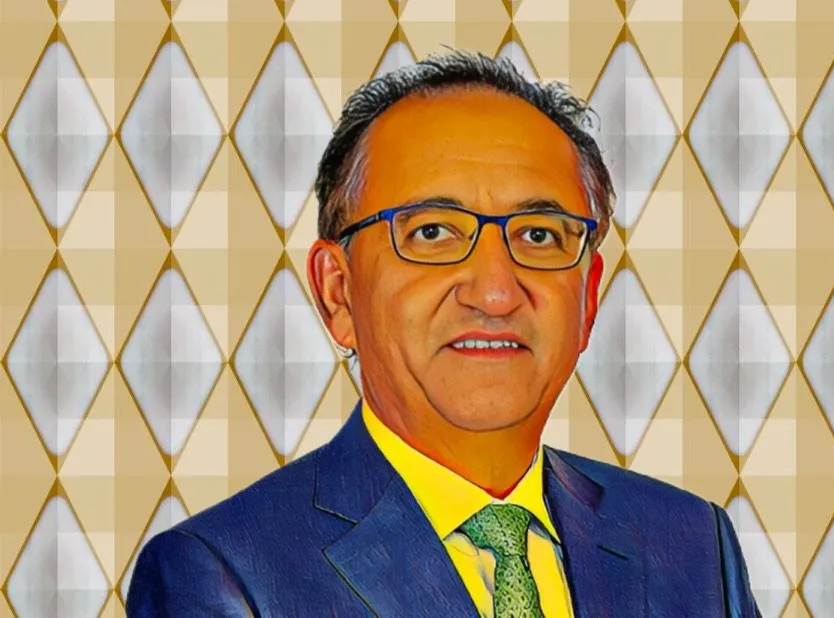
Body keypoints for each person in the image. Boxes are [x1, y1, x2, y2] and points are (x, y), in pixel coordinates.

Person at [126, 50, 761, 617]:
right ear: (337, 291)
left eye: (539, 235)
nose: (495, 292)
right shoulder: (222, 573)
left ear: (589, 296)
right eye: (432, 232)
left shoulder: (694, 544)